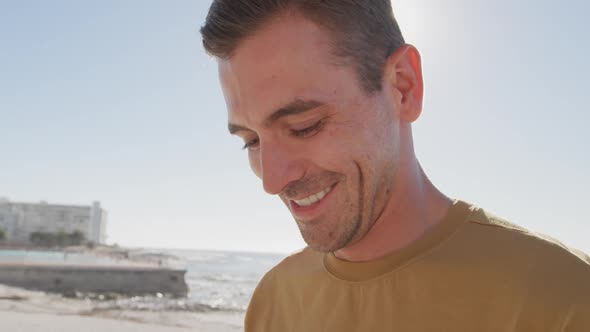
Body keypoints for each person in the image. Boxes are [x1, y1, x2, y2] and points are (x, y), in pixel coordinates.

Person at [200, 1, 590, 331]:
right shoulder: (273, 303)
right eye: (251, 141)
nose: (272, 180)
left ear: (403, 87)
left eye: (305, 126)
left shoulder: (563, 299)